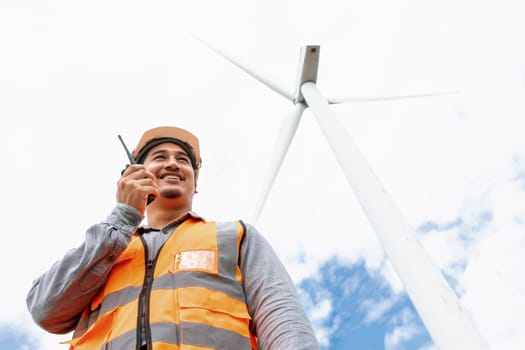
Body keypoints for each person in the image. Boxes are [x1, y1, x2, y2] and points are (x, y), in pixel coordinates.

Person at [27, 126, 320, 350]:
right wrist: (123, 217)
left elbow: (283, 319)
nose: (173, 164)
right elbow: (45, 310)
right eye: (160, 157)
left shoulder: (237, 236)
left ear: (195, 184)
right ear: (134, 173)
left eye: (183, 160)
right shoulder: (104, 249)